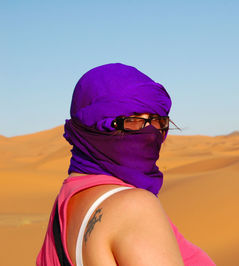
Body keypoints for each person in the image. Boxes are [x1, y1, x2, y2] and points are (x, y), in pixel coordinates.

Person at [37, 63, 215, 265]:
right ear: (91, 126)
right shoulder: (133, 207)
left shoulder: (65, 208)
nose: (150, 133)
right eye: (132, 120)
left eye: (157, 121)